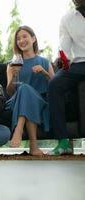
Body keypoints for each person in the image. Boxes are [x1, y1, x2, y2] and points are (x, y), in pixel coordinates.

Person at [5, 26, 55, 156]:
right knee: (24, 88)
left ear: (33, 39)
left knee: (25, 89)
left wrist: (44, 73)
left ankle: (18, 128)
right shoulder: (12, 64)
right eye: (18, 39)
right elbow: (10, 92)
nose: (21, 40)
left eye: (24, 36)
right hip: (17, 103)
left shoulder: (44, 62)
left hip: (40, 103)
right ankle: (34, 147)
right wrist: (14, 76)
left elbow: (55, 87)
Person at [48, 0, 85, 155]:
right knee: (54, 84)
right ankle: (63, 142)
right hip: (79, 65)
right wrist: (62, 59)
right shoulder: (67, 19)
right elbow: (65, 49)